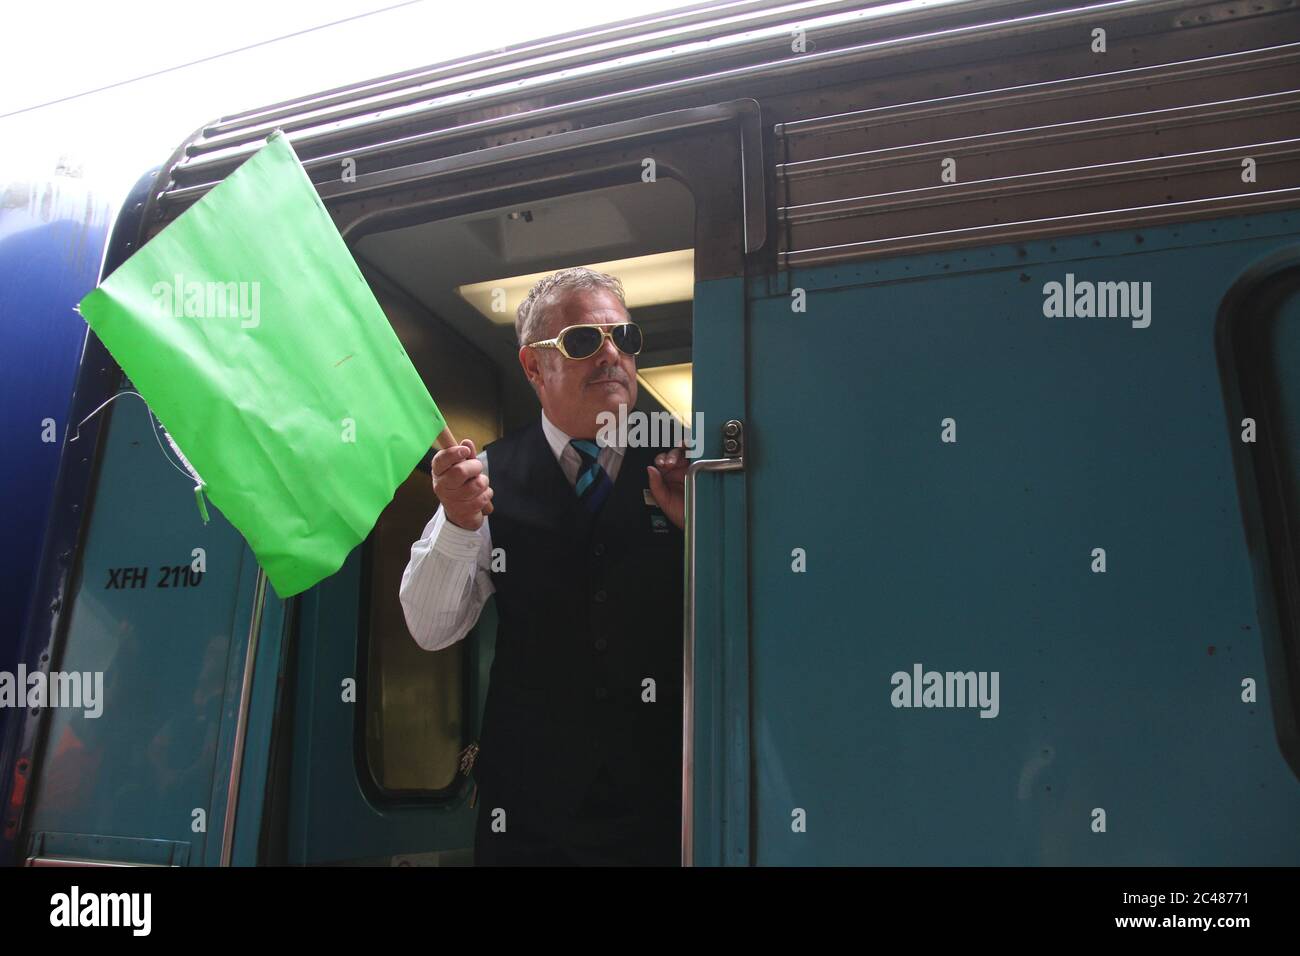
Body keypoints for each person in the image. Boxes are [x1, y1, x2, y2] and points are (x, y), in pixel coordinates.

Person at [399, 266, 690, 865]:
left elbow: (757, 626)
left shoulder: (687, 465)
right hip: (529, 819)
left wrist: (700, 534)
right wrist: (457, 522)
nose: (612, 355)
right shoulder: (487, 476)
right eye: (585, 341)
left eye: (625, 339)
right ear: (534, 367)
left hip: (666, 809)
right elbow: (429, 628)